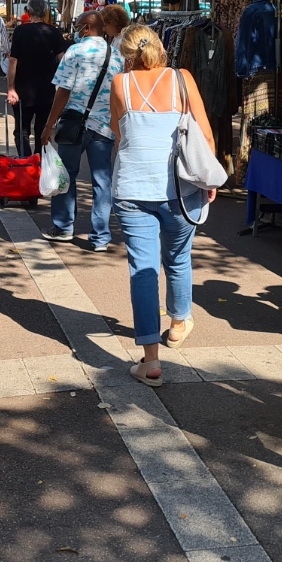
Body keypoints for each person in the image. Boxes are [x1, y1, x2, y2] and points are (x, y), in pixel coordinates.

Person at [110, 24, 217, 386]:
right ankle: (178, 321)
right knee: (178, 257)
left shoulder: (120, 84)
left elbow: (119, 132)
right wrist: (209, 178)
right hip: (180, 188)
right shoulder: (182, 78)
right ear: (159, 45)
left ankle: (151, 360)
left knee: (142, 270)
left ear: (126, 53)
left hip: (133, 188)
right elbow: (203, 132)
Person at [41, 10, 124, 250]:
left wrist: (48, 126)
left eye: (79, 26)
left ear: (87, 28)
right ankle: (101, 236)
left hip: (74, 123)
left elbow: (63, 91)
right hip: (104, 127)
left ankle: (64, 226)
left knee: (66, 175)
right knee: (102, 180)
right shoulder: (116, 55)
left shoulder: (74, 52)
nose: (77, 30)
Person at [7, 0, 67, 156]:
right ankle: (39, 162)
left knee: (21, 130)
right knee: (43, 129)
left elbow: (13, 61)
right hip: (46, 89)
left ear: (29, 11)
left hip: (22, 89)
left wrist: (11, 88)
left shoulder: (20, 31)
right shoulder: (54, 32)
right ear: (46, 11)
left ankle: (26, 164)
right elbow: (63, 60)